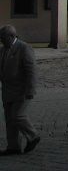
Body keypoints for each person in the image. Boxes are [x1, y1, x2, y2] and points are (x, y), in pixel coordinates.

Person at [0, 26, 40, 156]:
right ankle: (13, 146)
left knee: (18, 116)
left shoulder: (24, 48)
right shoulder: (2, 50)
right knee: (9, 120)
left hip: (21, 90)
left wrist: (31, 89)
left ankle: (33, 136)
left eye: (3, 38)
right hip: (7, 90)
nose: (1, 40)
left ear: (12, 36)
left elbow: (31, 70)